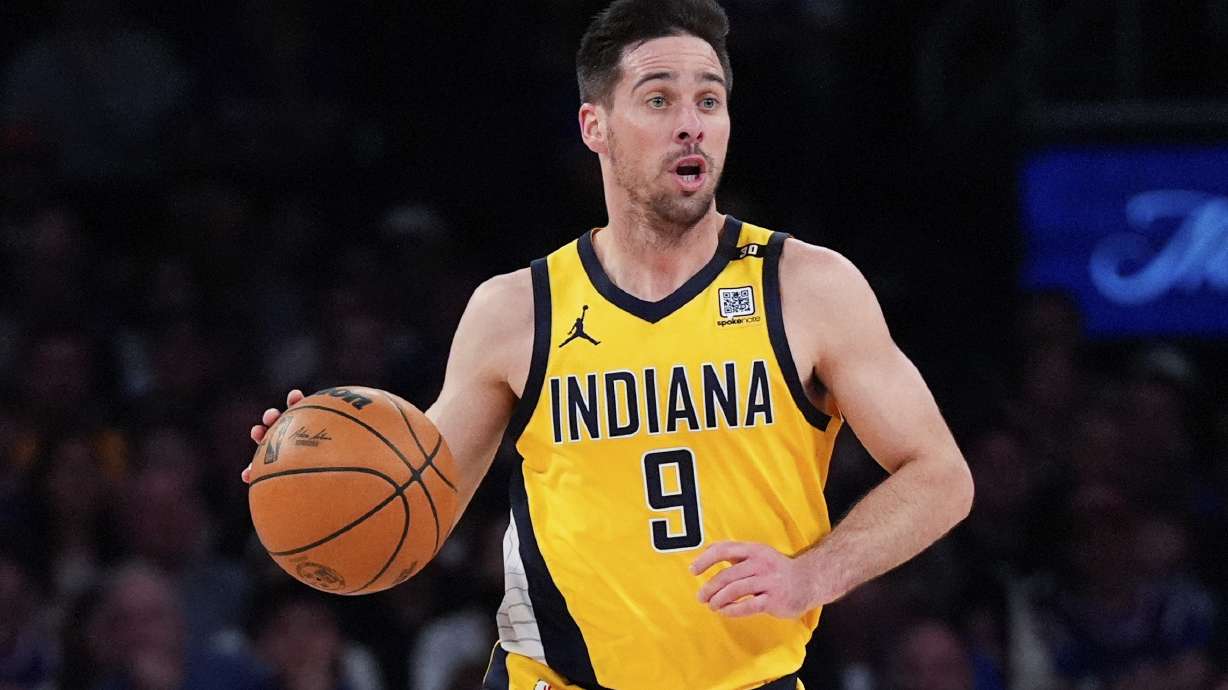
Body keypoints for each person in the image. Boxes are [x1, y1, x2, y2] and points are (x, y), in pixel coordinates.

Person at [244, 1, 973, 688]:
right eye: (659, 100)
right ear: (595, 125)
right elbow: (414, 508)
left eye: (709, 101)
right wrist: (326, 466)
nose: (691, 124)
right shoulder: (516, 311)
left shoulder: (807, 287)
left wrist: (817, 574)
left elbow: (941, 475)